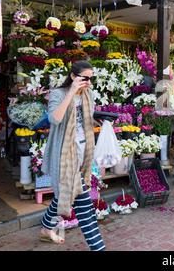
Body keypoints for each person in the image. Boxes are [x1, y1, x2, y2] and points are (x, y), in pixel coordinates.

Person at [39, 61, 105, 251]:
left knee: (63, 196)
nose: (88, 82)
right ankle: (98, 248)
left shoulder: (88, 95)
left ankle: (46, 228)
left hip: (83, 154)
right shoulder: (58, 94)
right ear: (74, 76)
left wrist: (102, 119)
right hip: (64, 156)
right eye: (85, 78)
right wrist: (71, 92)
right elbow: (55, 119)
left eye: (91, 78)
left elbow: (84, 121)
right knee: (84, 205)